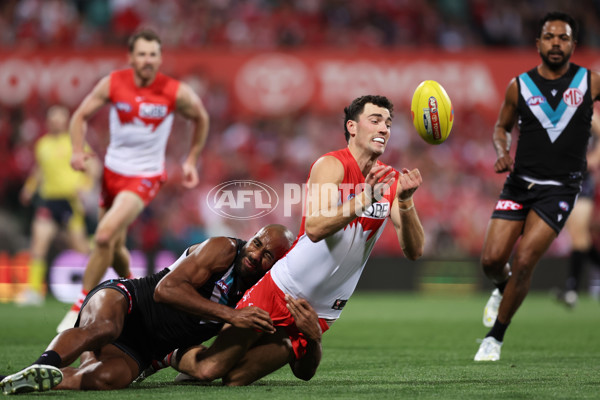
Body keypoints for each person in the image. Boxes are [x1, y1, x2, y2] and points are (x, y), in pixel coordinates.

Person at [159, 95, 425, 386]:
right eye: (375, 120)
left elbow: (414, 251)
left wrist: (406, 202)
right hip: (282, 288)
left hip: (324, 308)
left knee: (236, 379)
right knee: (211, 369)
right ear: (352, 126)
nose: (384, 129)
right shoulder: (332, 165)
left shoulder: (390, 183)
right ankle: (170, 354)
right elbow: (314, 227)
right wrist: (364, 198)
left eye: (388, 123)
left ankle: (260, 350)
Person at [0, 224, 309, 394]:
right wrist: (231, 315)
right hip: (130, 301)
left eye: (267, 254)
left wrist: (309, 338)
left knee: (110, 379)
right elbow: (166, 290)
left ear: (276, 266)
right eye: (257, 243)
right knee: (103, 329)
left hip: (144, 348)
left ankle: (39, 380)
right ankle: (45, 361)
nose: (255, 253)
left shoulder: (259, 292)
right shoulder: (224, 249)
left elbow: (301, 364)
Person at [57, 28, 210, 332]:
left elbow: (201, 117)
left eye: (153, 54)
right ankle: (135, 298)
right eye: (141, 54)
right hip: (112, 173)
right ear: (131, 57)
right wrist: (76, 150)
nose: (147, 60)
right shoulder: (114, 83)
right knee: (113, 246)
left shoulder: (173, 91)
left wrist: (191, 159)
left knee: (102, 235)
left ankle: (79, 308)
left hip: (145, 176)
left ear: (160, 58)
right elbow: (80, 116)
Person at [474, 11, 600, 362]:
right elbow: (501, 127)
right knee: (491, 261)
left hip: (560, 190)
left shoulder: (590, 82)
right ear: (538, 43)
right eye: (550, 37)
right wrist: (501, 151)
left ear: (574, 44)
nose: (556, 43)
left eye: (563, 38)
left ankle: (494, 338)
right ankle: (503, 286)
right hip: (518, 185)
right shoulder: (520, 85)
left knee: (526, 259)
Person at [17, 105, 98, 306]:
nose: (57, 122)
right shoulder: (42, 144)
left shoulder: (76, 143)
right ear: (48, 122)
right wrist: (29, 188)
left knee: (80, 247)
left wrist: (85, 187)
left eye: (60, 119)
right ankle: (33, 291)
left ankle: (97, 280)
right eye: (53, 119)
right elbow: (39, 170)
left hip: (70, 202)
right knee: (38, 243)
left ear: (66, 121)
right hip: (48, 201)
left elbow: (93, 167)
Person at [556, 111, 600, 307]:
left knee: (578, 232)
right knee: (580, 236)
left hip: (583, 179)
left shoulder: (589, 113)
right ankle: (572, 288)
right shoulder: (560, 112)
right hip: (562, 179)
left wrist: (594, 158)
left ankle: (572, 289)